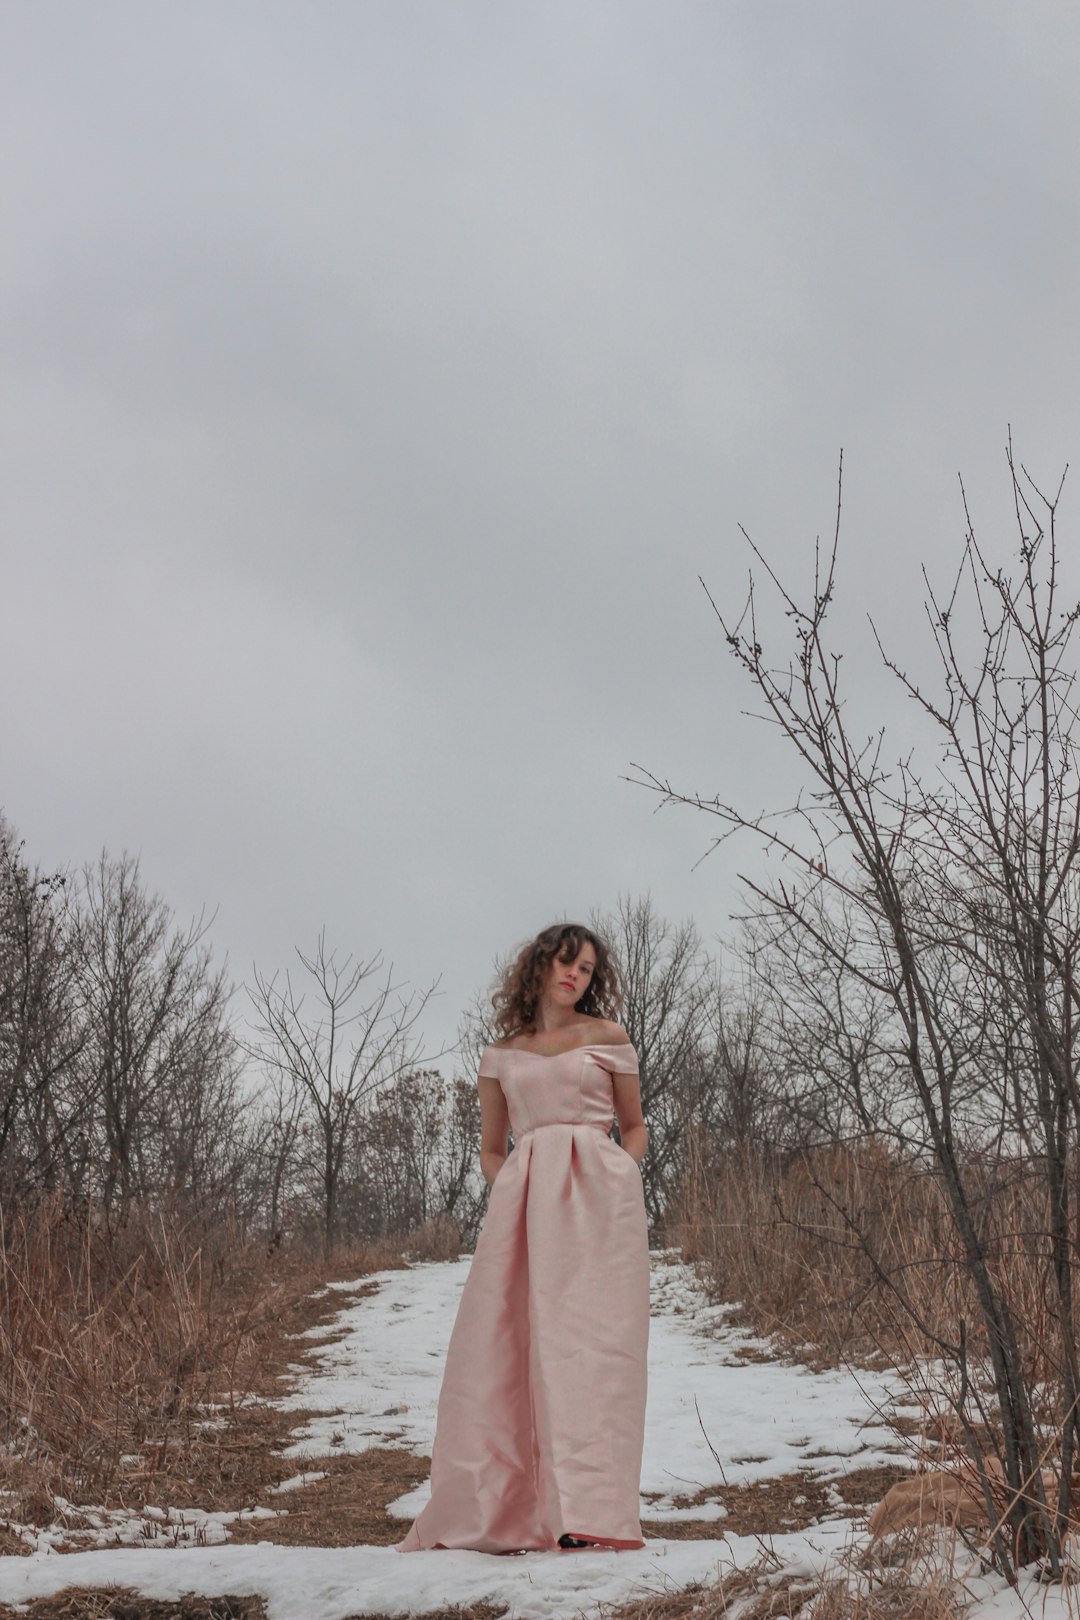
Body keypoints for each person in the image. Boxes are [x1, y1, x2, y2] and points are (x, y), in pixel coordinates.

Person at [394, 921, 650, 1555]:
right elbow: (489, 1147)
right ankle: (509, 1508)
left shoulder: (608, 1038)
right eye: (566, 962)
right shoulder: (500, 1054)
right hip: (524, 1214)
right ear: (538, 967)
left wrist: (619, 1173)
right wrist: (513, 1188)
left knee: (591, 1353)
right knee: (507, 1349)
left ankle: (590, 1512)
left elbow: (634, 1126)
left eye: (587, 969)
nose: (575, 976)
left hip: (599, 1210)